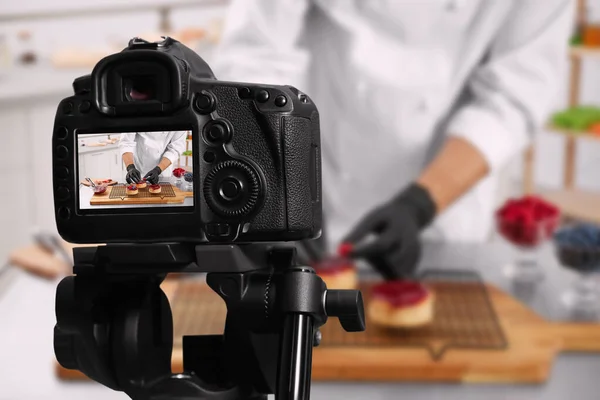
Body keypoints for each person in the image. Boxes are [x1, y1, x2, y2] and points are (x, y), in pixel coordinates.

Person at [213, 0, 574, 278]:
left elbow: (513, 95)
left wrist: (417, 205)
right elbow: (255, 53)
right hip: (319, 171)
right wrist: (282, 187)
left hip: (443, 204)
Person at [119, 132, 187, 185]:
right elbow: (126, 142)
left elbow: (175, 149)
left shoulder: (179, 117)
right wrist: (130, 167)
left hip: (163, 171)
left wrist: (158, 170)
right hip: (138, 168)